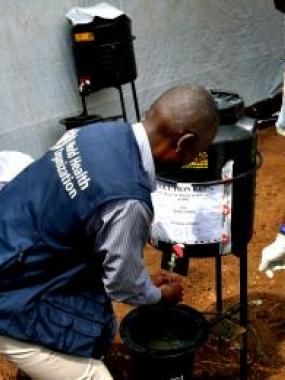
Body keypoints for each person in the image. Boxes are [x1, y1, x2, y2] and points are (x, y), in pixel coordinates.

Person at [0, 84, 218, 380]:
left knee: (96, 327)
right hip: (12, 298)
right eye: (198, 153)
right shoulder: (128, 201)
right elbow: (122, 285)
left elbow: (77, 225)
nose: (195, 160)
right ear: (184, 143)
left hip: (15, 250)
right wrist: (161, 295)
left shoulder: (91, 133)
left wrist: (139, 278)